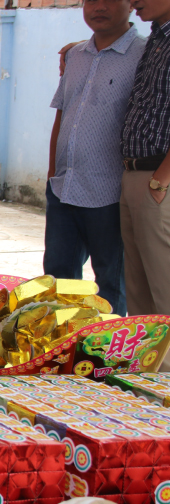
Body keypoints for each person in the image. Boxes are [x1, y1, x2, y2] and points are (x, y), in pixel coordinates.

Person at [45, 0, 144, 317]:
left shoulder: (144, 55)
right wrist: (52, 173)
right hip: (64, 187)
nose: (99, 7)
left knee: (111, 286)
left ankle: (106, 361)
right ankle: (62, 352)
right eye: (92, 0)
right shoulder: (74, 56)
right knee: (59, 282)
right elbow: (63, 115)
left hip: (111, 192)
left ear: (131, 4)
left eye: (110, 0)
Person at [121, 0, 170, 369]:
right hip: (135, 175)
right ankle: (146, 379)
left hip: (159, 179)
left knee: (163, 288)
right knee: (138, 293)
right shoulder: (156, 38)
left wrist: (161, 178)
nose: (134, 1)